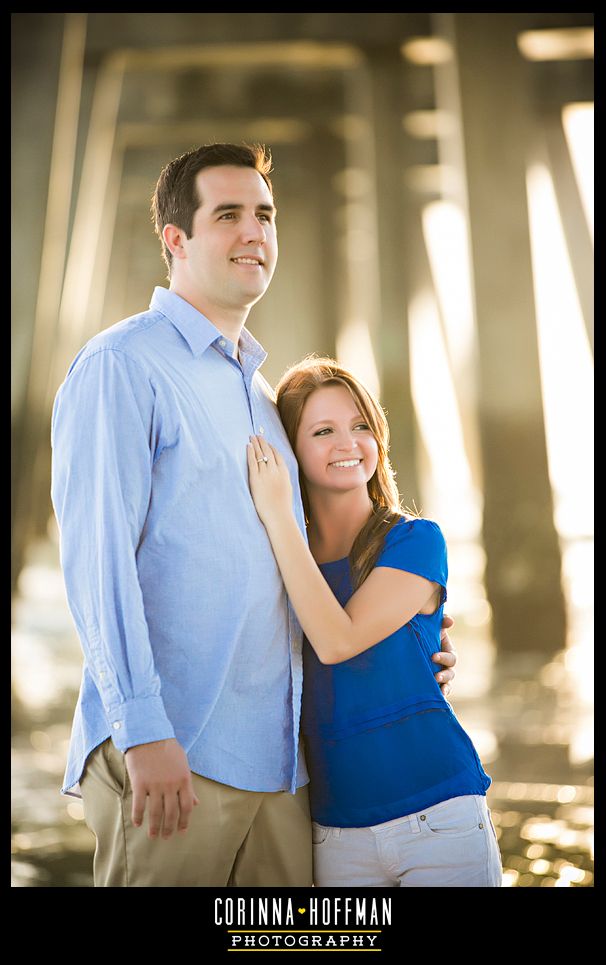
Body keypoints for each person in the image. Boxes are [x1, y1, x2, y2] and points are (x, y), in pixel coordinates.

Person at [50, 142, 457, 888]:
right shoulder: (123, 367)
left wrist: (411, 641)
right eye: (228, 214)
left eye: (264, 215)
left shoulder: (265, 399)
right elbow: (96, 563)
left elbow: (309, 565)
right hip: (179, 750)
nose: (254, 232)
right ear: (176, 239)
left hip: (284, 770)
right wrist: (144, 732)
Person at [247, 356, 502, 887]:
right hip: (334, 835)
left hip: (439, 818)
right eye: (323, 431)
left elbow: (338, 641)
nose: (348, 443)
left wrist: (276, 513)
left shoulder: (414, 540)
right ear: (291, 450)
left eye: (360, 425)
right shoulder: (280, 567)